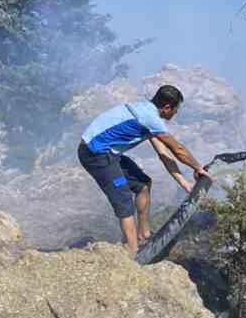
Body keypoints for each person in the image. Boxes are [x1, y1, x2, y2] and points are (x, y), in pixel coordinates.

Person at [78, 83, 210, 255]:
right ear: (167, 107)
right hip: (95, 154)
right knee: (124, 198)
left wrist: (184, 183)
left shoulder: (145, 111)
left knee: (143, 185)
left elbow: (164, 154)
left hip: (108, 152)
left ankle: (144, 235)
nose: (176, 113)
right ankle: (132, 252)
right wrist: (198, 168)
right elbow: (178, 150)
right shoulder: (149, 118)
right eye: (175, 109)